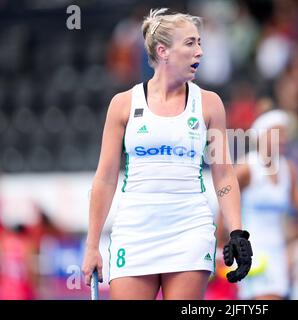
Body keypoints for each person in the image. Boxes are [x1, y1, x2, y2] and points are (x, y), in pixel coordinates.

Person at [82, 8, 252, 300]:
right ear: (163, 51)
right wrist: (92, 244)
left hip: (189, 229)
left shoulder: (209, 104)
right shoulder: (122, 104)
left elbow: (223, 174)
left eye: (199, 42)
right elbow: (105, 178)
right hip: (135, 230)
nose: (200, 50)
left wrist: (238, 232)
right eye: (190, 43)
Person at [219, 109, 298, 300]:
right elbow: (224, 206)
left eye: (285, 133)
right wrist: (220, 246)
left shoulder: (289, 170)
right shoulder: (247, 168)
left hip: (278, 251)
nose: (283, 138)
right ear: (261, 135)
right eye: (277, 132)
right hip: (250, 251)